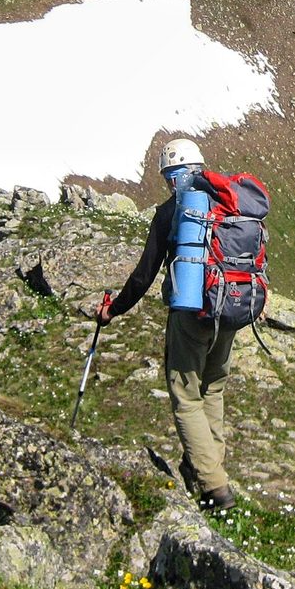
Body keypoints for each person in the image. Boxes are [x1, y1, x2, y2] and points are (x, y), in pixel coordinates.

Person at [96, 138, 238, 512]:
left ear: (172, 174)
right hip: (231, 309)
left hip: (190, 314)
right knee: (213, 390)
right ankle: (208, 470)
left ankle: (214, 486)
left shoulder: (172, 211)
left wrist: (114, 310)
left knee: (186, 396)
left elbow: (144, 275)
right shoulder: (227, 202)